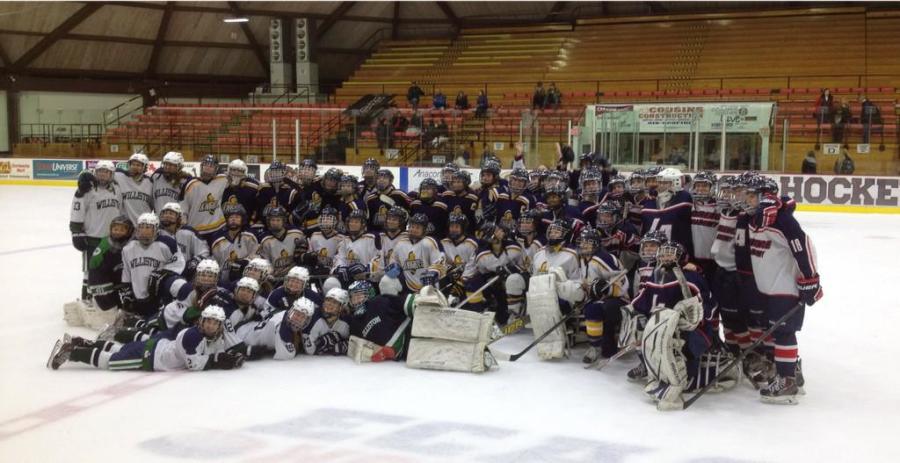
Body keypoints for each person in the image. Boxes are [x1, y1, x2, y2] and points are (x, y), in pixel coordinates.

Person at [746, 176, 821, 404]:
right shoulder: (758, 218)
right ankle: (790, 373)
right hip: (770, 285)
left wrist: (810, 280)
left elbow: (803, 247)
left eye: (750, 195)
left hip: (785, 286)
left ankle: (787, 381)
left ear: (764, 195)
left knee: (784, 332)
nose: (745, 199)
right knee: (774, 331)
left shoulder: (783, 220)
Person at [47, 305, 245, 372]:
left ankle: (79, 341)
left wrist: (229, 355)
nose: (210, 325)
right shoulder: (193, 336)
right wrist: (216, 360)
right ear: (201, 321)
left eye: (214, 323)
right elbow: (194, 365)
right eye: (207, 321)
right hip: (151, 358)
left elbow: (213, 350)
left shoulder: (210, 336)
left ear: (219, 326)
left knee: (118, 350)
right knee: (112, 361)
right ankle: (72, 353)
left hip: (157, 347)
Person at [72, 160, 122, 301]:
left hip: (112, 239)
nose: (102, 175)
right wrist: (76, 232)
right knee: (89, 271)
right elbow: (77, 210)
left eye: (106, 172)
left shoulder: (117, 189)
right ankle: (87, 300)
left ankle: (108, 300)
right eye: (99, 171)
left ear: (112, 174)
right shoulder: (86, 189)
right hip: (93, 238)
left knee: (111, 269)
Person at [120, 212, 186, 317]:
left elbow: (179, 264)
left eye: (148, 227)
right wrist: (126, 292)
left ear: (156, 229)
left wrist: (163, 275)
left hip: (159, 296)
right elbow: (126, 273)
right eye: (141, 227)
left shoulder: (167, 244)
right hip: (138, 297)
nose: (144, 231)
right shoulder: (128, 248)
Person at [158, 202, 210, 279]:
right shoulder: (156, 234)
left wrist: (192, 263)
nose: (167, 216)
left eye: (171, 213)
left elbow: (204, 251)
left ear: (179, 217)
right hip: (164, 276)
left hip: (187, 276)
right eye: (164, 213)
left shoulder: (188, 232)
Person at [182, 155, 228, 243]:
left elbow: (238, 178)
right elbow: (183, 206)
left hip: (217, 228)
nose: (208, 168)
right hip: (196, 229)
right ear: (201, 166)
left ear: (216, 169)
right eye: (206, 165)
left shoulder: (222, 179)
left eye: (211, 166)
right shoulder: (191, 184)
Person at [210, 204, 259, 284]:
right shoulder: (217, 239)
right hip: (222, 283)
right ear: (226, 219)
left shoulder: (249, 236)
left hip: (246, 281)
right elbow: (215, 262)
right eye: (231, 217)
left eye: (237, 217)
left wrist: (244, 262)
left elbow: (257, 257)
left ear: (242, 219)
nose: (233, 219)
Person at [305, 288, 351, 356]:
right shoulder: (314, 318)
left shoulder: (346, 323)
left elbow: (355, 343)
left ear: (341, 307)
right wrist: (326, 346)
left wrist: (346, 345)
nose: (329, 304)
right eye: (328, 300)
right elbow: (309, 350)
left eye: (335, 302)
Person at [115, 152, 155, 224]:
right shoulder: (120, 176)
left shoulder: (150, 182)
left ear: (144, 167)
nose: (134, 167)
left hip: (143, 223)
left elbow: (153, 204)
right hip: (125, 224)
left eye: (138, 165)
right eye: (133, 164)